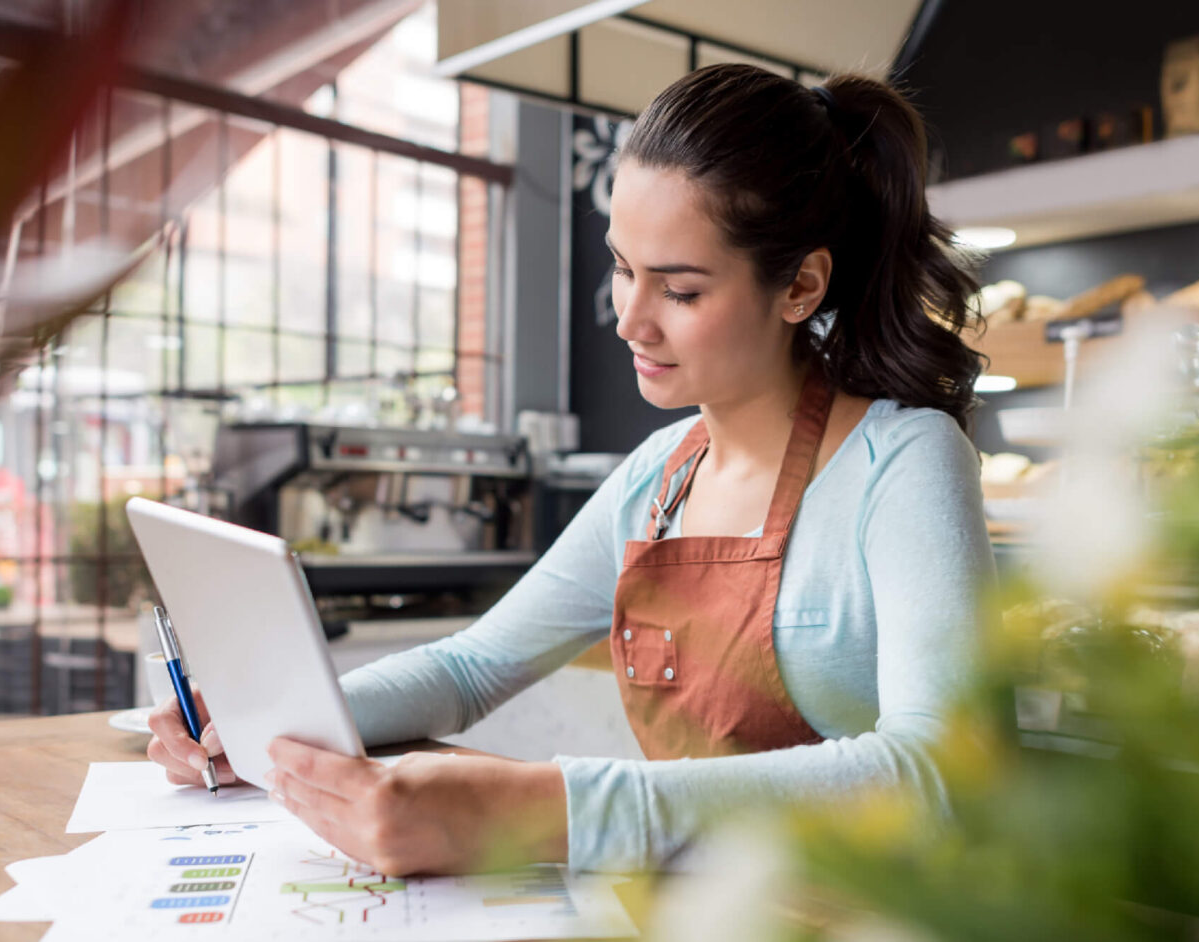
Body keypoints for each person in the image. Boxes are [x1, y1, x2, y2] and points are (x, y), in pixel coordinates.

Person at [148, 62, 994, 875]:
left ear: (801, 286)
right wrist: (267, 723)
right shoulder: (657, 477)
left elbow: (937, 774)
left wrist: (539, 807)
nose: (629, 320)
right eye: (623, 268)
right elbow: (470, 668)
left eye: (681, 290)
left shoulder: (905, 462)